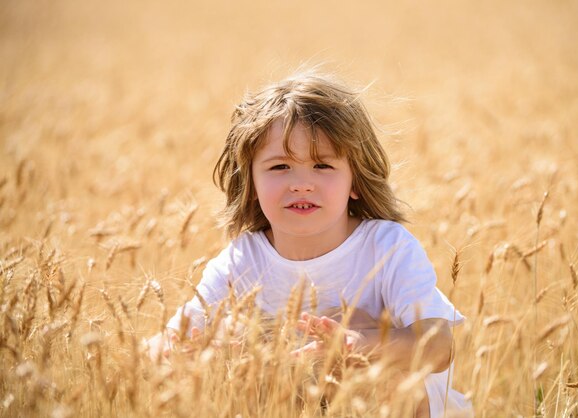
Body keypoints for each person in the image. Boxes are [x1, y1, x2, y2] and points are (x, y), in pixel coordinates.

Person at [147, 71, 472, 417]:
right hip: (299, 405)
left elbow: (440, 347)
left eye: (322, 165)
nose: (301, 184)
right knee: (236, 336)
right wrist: (199, 348)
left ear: (356, 182)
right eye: (280, 167)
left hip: (401, 408)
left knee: (352, 321)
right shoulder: (242, 260)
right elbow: (165, 345)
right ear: (252, 185)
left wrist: (360, 344)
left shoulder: (386, 247)